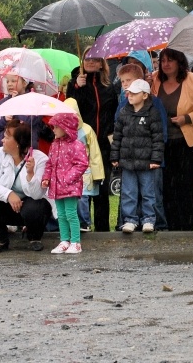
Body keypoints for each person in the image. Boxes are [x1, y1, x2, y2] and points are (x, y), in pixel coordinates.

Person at [150, 48, 193, 231]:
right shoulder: (154, 79)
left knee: (189, 186)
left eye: (170, 60)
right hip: (165, 142)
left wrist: (187, 118)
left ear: (180, 62)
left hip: (192, 142)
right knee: (169, 187)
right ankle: (172, 226)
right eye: (163, 61)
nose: (166, 64)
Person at [0, 120, 51, 252]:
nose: (2, 140)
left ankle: (34, 237)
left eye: (6, 137)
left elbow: (37, 194)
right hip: (7, 205)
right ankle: (0, 240)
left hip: (29, 206)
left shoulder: (40, 159)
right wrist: (8, 194)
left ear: (18, 142)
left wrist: (30, 174)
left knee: (36, 206)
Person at [66, 46, 118, 231]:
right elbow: (70, 111)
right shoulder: (74, 84)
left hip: (103, 144)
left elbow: (113, 115)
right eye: (87, 58)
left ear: (101, 63)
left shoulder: (108, 86)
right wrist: (78, 88)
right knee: (83, 187)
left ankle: (102, 228)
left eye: (95, 58)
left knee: (101, 187)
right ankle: (83, 225)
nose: (90, 61)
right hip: (81, 145)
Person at [110, 79, 164, 234]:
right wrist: (115, 156)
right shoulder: (124, 112)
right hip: (127, 162)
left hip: (146, 163)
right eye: (129, 92)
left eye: (134, 93)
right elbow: (117, 136)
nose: (130, 95)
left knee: (148, 192)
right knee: (128, 192)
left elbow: (158, 138)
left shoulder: (153, 113)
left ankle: (148, 219)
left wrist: (155, 159)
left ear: (145, 95)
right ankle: (130, 220)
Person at [42, 113, 89, 254]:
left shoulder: (76, 145)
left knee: (71, 214)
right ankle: (64, 240)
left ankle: (76, 242)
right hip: (56, 186)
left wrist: (67, 179)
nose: (54, 129)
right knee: (61, 215)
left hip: (70, 187)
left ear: (66, 127)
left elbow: (81, 164)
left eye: (56, 126)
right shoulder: (54, 145)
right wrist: (47, 178)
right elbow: (50, 164)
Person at [63, 98, 104, 233]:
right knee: (70, 197)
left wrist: (97, 173)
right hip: (68, 170)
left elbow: (95, 152)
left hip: (85, 170)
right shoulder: (62, 131)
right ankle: (72, 222)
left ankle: (84, 222)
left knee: (83, 197)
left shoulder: (87, 130)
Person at [0, 74, 45, 150]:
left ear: (24, 84)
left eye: (13, 81)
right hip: (3, 146)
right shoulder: (4, 102)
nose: (9, 84)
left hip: (25, 147)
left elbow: (28, 121)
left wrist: (15, 103)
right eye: (7, 81)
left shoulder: (34, 101)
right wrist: (3, 119)